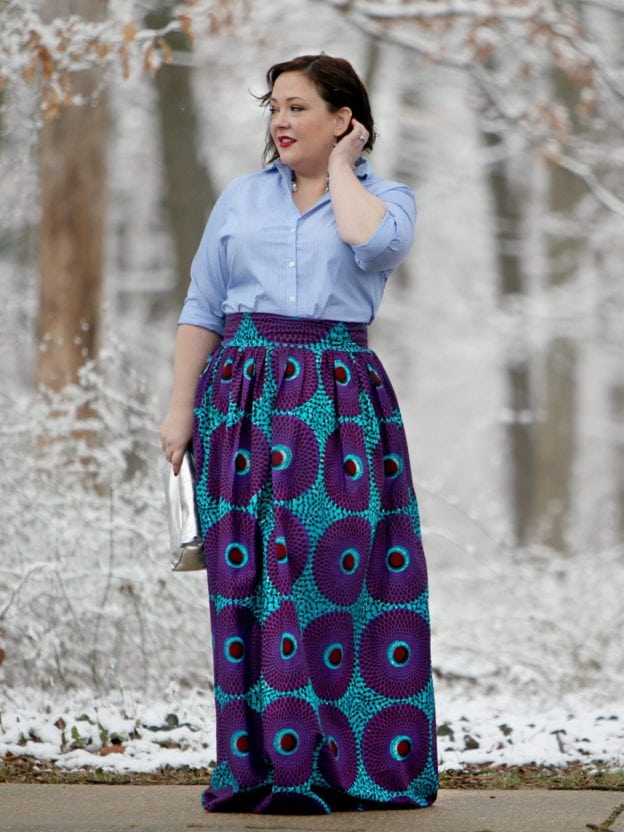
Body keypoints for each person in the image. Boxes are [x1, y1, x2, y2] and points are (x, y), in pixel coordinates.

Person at [160, 54, 439, 814]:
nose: (280, 121)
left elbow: (369, 244)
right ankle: (261, 767)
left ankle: (349, 763)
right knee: (245, 583)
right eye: (274, 108)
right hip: (239, 401)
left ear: (344, 117)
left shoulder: (386, 200)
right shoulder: (241, 200)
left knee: (329, 571)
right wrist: (180, 407)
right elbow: (202, 306)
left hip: (337, 402)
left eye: (299, 107)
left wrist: (345, 166)